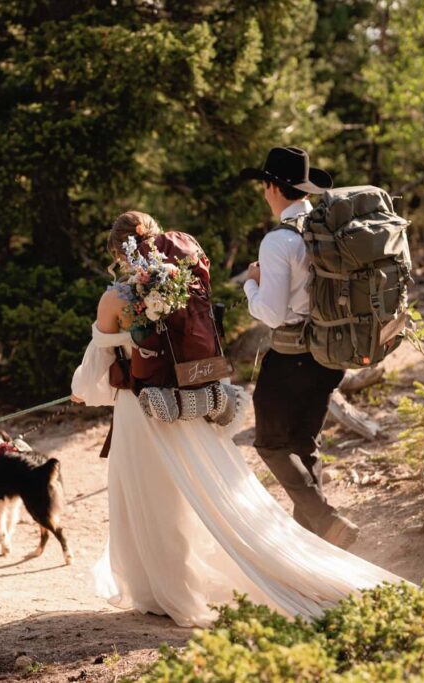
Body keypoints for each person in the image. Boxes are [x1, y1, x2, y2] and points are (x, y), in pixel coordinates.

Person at [70, 210, 400, 628]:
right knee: (193, 495)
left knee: (147, 500)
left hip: (142, 409)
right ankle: (195, 582)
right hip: (188, 404)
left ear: (119, 251)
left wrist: (81, 391)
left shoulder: (116, 298)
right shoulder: (181, 284)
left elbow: (98, 364)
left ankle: (165, 592)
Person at [239, 146, 360, 549]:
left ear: (273, 186)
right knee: (304, 444)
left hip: (291, 356)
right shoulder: (328, 226)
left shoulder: (278, 241)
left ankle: (325, 520)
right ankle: (315, 544)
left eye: (264, 185)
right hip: (332, 350)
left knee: (270, 443)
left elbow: (271, 313)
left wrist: (251, 283)